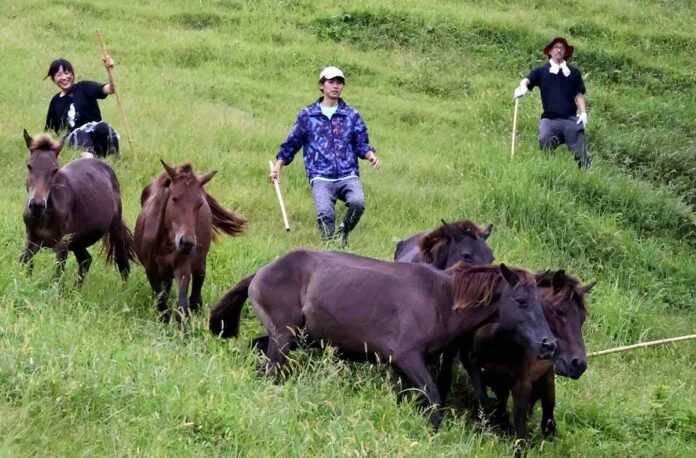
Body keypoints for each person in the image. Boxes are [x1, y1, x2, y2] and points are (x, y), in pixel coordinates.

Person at [269, 66, 381, 246]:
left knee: (358, 203)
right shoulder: (308, 115)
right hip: (320, 175)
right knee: (325, 214)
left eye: (339, 83)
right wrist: (278, 166)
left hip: (348, 173)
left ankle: (343, 234)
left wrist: (370, 155)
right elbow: (292, 143)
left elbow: (361, 143)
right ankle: (329, 246)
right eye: (331, 82)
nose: (335, 86)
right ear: (322, 86)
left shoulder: (351, 115)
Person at [513, 37, 591, 169]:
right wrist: (523, 87)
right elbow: (527, 79)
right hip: (550, 119)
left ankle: (587, 175)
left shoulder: (573, 73)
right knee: (545, 142)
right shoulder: (542, 71)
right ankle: (548, 171)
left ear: (565, 52)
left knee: (580, 153)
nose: (559, 50)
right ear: (550, 51)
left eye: (562, 48)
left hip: (571, 119)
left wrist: (583, 113)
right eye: (556, 47)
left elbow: (578, 94)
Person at [44, 57, 120, 157]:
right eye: (59, 75)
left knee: (104, 127)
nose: (64, 77)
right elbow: (50, 131)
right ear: (53, 79)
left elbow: (111, 88)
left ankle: (112, 160)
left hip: (96, 132)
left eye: (67, 73)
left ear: (72, 74)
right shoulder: (55, 102)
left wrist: (109, 71)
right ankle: (89, 163)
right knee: (80, 135)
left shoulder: (84, 87)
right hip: (75, 139)